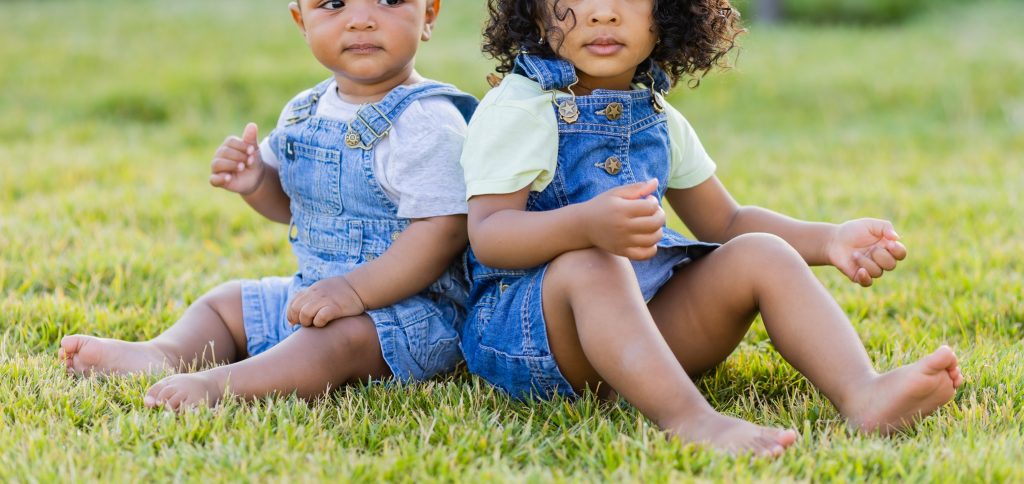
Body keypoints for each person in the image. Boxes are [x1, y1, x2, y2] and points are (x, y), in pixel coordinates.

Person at [458, 0, 963, 457]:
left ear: (672, 13)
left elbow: (727, 222)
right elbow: (491, 235)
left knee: (759, 250)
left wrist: (828, 239)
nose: (602, 13)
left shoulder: (658, 116)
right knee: (592, 260)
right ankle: (693, 420)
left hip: (645, 335)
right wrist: (587, 225)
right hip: (537, 342)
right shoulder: (522, 108)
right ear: (534, 12)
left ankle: (864, 394)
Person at [59, 0, 477, 411]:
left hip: (411, 318)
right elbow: (291, 206)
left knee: (335, 341)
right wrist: (258, 181)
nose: (361, 20)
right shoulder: (305, 111)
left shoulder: (427, 122)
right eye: (333, 4)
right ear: (302, 22)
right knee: (227, 303)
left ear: (429, 15)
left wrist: (353, 291)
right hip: (312, 294)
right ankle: (164, 353)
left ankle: (222, 385)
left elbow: (443, 231)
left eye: (389, 0)